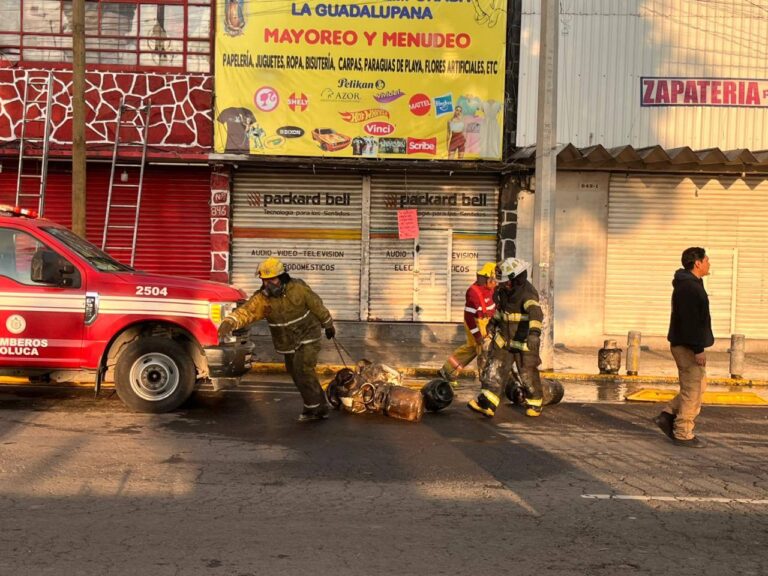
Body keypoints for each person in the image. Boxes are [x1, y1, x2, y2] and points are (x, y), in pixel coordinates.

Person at [217, 257, 336, 422]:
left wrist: (328, 324)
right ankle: (315, 405)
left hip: (308, 335)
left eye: (272, 279)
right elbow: (248, 311)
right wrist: (230, 321)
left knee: (304, 370)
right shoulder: (263, 299)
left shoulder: (298, 289)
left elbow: (317, 306)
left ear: (282, 277)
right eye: (264, 281)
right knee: (295, 373)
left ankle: (317, 409)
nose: (268, 285)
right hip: (287, 341)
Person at [468, 257, 544, 418]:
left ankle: (535, 403)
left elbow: (536, 314)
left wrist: (534, 334)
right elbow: (500, 311)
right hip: (504, 340)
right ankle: (487, 404)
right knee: (495, 369)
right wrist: (492, 323)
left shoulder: (527, 294)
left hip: (523, 342)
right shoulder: (503, 292)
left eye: (506, 282)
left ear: (516, 279)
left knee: (527, 373)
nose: (503, 284)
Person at [654, 247, 713, 448]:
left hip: (687, 343)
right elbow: (690, 322)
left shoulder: (691, 283)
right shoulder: (689, 287)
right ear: (698, 263)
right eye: (707, 260)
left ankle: (667, 414)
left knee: (699, 385)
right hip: (687, 345)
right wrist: (698, 349)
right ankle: (683, 432)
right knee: (693, 390)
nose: (709, 264)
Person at [439, 262, 497, 386]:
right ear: (489, 278)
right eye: (494, 280)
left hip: (487, 323)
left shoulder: (492, 289)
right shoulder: (474, 293)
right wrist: (478, 336)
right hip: (476, 323)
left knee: (472, 349)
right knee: (483, 350)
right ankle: (486, 381)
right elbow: (469, 317)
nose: (496, 283)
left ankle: (448, 371)